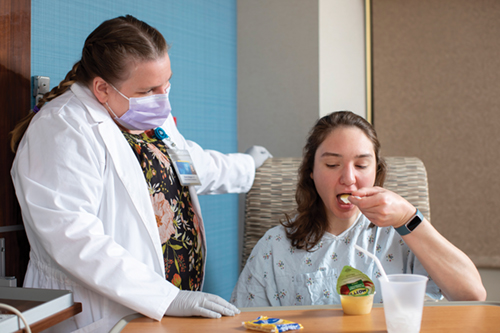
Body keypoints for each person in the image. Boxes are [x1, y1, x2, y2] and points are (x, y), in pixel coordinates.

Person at [10, 15, 271, 332]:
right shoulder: (62, 129)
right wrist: (163, 297)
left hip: (162, 310)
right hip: (100, 312)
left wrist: (247, 167)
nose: (162, 98)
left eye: (166, 83)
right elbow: (74, 238)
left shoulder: (145, 115)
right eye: (149, 89)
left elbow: (188, 167)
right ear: (103, 88)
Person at [231, 111, 486, 308]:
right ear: (311, 173)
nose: (348, 178)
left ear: (376, 172)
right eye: (332, 164)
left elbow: (472, 294)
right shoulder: (275, 247)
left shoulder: (401, 237)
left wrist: (410, 217)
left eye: (362, 165)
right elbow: (242, 323)